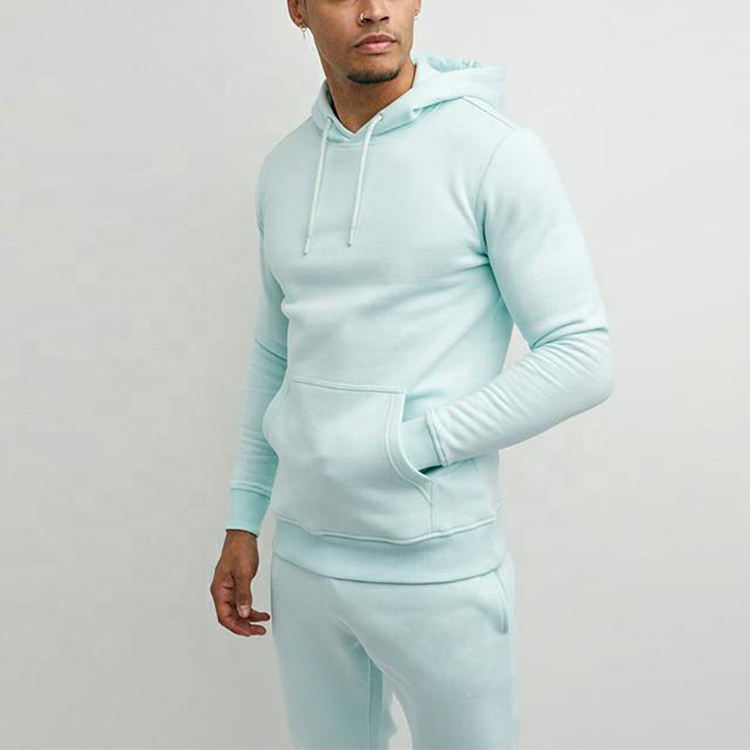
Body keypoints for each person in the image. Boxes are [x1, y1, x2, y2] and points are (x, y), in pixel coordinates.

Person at [210, 1, 615, 747]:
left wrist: (409, 446)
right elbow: (275, 352)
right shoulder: (285, 168)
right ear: (298, 9)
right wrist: (244, 516)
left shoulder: (495, 153)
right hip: (303, 561)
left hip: (438, 570)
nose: (375, 10)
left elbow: (581, 355)